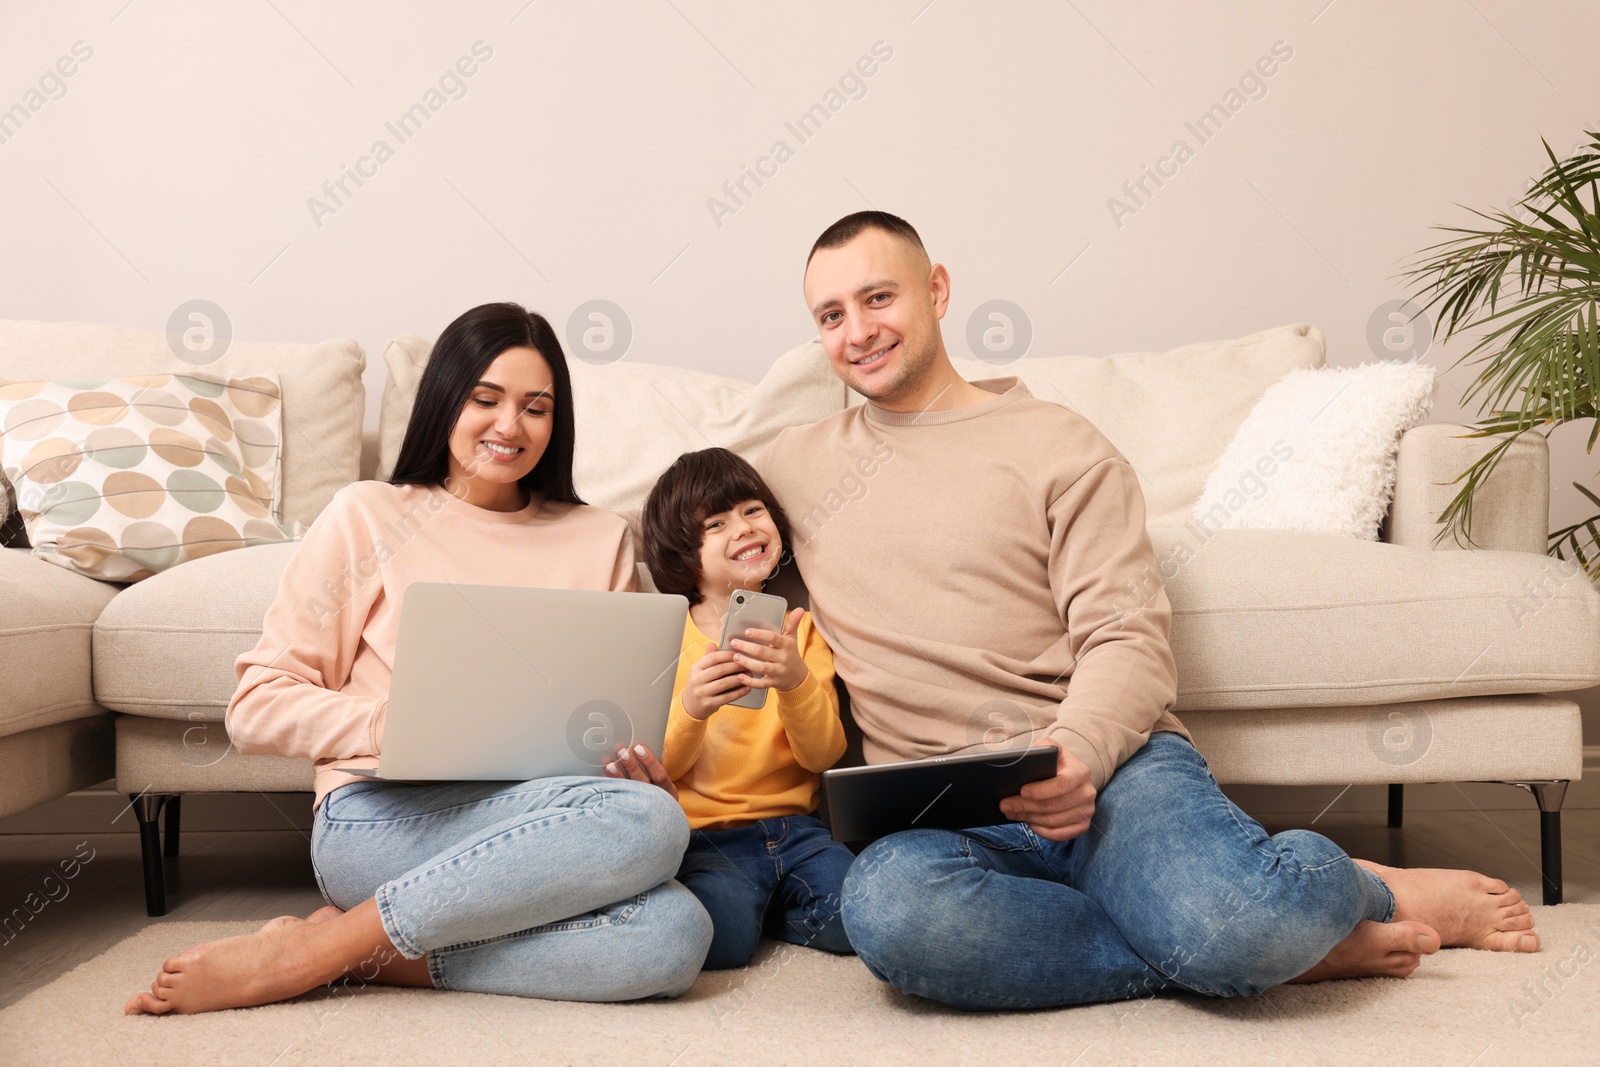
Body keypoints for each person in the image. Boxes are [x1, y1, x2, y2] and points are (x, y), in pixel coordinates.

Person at [756, 211, 1539, 1011]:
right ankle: (1257, 950)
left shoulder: (1061, 445)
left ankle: (1360, 892)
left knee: (1242, 922)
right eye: (831, 315)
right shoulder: (797, 463)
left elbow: (1126, 638)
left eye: (878, 297)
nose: (858, 331)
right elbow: (678, 529)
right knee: (887, 918)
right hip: (936, 813)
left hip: (1110, 771)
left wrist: (1076, 755)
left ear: (937, 289)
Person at [124, 302, 711, 1015]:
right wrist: (393, 724)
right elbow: (255, 708)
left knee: (675, 932)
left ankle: (338, 949)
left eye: (536, 407)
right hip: (381, 816)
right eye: (484, 399)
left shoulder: (600, 537)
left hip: (541, 813)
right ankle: (313, 955)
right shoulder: (368, 514)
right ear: (444, 400)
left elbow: (614, 710)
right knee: (649, 827)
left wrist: (632, 767)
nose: (509, 426)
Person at [604, 447, 855, 969]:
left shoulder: (801, 632)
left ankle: (776, 912)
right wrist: (692, 708)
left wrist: (795, 683)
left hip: (799, 830)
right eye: (715, 524)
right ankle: (757, 913)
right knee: (723, 941)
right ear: (682, 555)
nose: (742, 527)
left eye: (752, 510)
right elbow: (657, 769)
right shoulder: (664, 637)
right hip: (707, 839)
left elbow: (823, 755)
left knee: (855, 917)